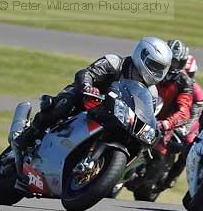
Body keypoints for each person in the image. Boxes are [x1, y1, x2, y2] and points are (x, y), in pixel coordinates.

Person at [12, 36, 173, 171]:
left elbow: (146, 114)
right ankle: (26, 138)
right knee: (65, 103)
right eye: (154, 65)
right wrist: (88, 87)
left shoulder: (152, 93)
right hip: (89, 100)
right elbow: (86, 73)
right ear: (141, 55)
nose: (157, 71)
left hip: (116, 118)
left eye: (161, 68)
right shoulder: (115, 62)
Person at [135, 39, 194, 190]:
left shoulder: (185, 82)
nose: (172, 66)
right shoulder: (148, 70)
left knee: (161, 153)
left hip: (163, 124)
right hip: (139, 113)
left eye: (176, 63)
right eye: (170, 62)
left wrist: (168, 123)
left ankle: (149, 183)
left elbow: (184, 110)